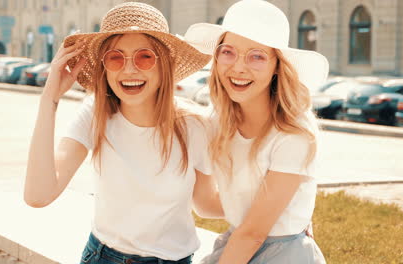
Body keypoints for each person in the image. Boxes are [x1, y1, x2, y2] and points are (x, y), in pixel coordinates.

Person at [24, 2, 223, 263]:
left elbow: (206, 203)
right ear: (104, 69)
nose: (129, 70)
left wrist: (274, 208)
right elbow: (38, 196)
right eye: (115, 58)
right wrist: (49, 98)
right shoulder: (95, 114)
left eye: (145, 56)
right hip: (102, 256)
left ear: (165, 66)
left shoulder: (195, 125)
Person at [184, 0, 329, 263]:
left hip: (283, 253)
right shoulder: (216, 122)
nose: (239, 67)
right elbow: (205, 205)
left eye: (257, 56)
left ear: (277, 66)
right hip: (239, 241)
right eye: (228, 52)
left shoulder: (294, 132)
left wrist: (289, 218)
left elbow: (254, 234)